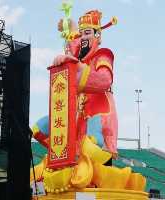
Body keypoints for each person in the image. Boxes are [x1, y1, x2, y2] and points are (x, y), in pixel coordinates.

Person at [54, 10, 118, 163]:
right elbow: (75, 48)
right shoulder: (83, 58)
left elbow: (104, 80)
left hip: (99, 116)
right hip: (80, 119)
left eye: (87, 33)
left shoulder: (103, 55)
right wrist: (71, 28)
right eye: (81, 34)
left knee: (92, 150)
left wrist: (80, 68)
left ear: (98, 35)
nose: (82, 37)